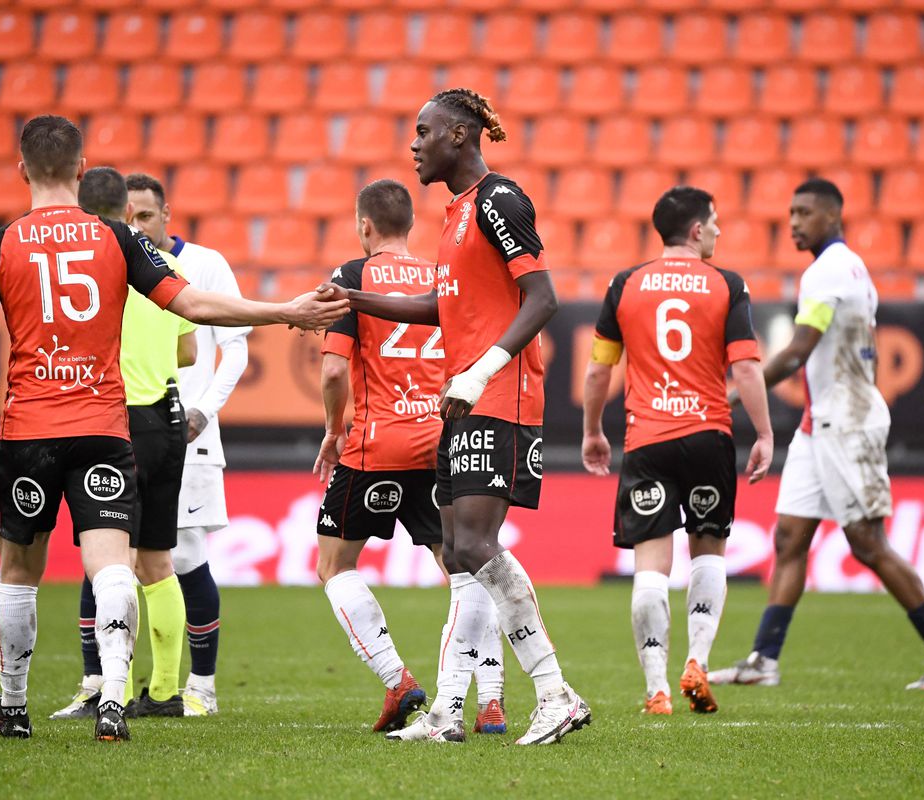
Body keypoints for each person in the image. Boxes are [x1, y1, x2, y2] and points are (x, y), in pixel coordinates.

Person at [0, 114, 346, 742]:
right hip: (102, 425)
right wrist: (285, 310)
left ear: (21, 170)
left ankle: (12, 708)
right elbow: (193, 305)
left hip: (29, 428)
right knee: (114, 565)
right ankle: (114, 702)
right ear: (83, 169)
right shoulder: (118, 240)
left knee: (19, 571)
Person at [321, 88, 590, 745]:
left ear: (461, 136)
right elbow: (441, 309)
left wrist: (481, 368)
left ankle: (555, 692)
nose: (413, 143)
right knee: (464, 561)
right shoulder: (455, 216)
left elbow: (544, 297)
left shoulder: (500, 201)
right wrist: (351, 297)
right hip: (462, 400)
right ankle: (447, 710)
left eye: (424, 131)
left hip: (498, 397)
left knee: (470, 547)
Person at [709, 178, 924, 690]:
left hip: (848, 421)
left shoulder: (828, 270)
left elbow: (798, 350)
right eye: (790, 212)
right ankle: (764, 660)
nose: (793, 222)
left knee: (867, 544)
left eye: (804, 212)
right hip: (819, 425)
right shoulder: (843, 267)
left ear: (832, 217)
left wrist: (735, 393)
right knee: (790, 538)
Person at [314, 178, 507, 736]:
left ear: (364, 226)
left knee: (334, 565)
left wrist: (333, 430)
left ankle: (398, 679)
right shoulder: (441, 278)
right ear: (410, 226)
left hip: (378, 445)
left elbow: (331, 371)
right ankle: (491, 701)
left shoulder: (351, 279)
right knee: (470, 572)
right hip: (443, 441)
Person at [581, 187, 773, 716]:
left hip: (648, 439)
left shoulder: (625, 284)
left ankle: (656, 690)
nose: (718, 231)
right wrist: (763, 433)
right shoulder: (728, 285)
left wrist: (593, 430)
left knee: (650, 568)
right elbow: (747, 368)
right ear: (694, 230)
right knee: (709, 550)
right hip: (709, 434)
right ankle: (699, 661)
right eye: (713, 223)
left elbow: (600, 368)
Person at [50, 167, 196, 721]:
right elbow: (188, 354)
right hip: (167, 416)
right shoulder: (167, 264)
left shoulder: (92, 265)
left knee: (112, 564)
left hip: (114, 419)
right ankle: (163, 693)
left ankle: (108, 688)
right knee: (157, 561)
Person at [122, 172, 251, 717]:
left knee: (186, 556)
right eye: (127, 216)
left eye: (145, 216)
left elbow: (234, 349)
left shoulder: (203, 264)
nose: (136, 226)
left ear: (166, 214)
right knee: (119, 559)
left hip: (189, 433)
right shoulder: (111, 261)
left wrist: (204, 410)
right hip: (128, 430)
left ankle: (200, 686)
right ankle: (110, 685)